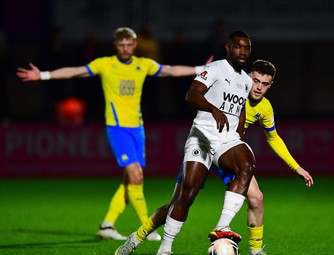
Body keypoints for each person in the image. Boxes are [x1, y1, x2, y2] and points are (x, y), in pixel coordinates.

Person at [113, 59, 313, 255]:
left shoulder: (265, 107)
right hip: (204, 144)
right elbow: (200, 90)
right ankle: (136, 238)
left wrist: (295, 167)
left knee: (257, 198)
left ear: (271, 85)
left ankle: (254, 250)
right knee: (178, 203)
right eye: (256, 81)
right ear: (248, 77)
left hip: (227, 152)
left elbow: (273, 137)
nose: (259, 87)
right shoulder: (232, 86)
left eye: (265, 84)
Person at [16, 27, 209, 242]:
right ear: (115, 46)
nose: (125, 49)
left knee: (130, 181)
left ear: (134, 45)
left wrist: (202, 68)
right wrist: (42, 75)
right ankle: (149, 226)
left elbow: (171, 70)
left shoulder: (143, 64)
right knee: (136, 176)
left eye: (129, 45)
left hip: (138, 129)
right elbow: (74, 71)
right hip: (117, 129)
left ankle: (107, 225)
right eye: (121, 45)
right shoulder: (105, 64)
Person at [114, 30, 255, 255]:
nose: (243, 52)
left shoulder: (247, 81)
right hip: (201, 136)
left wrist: (238, 135)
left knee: (247, 163)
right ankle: (154, 244)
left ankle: (222, 225)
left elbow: (240, 109)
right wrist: (213, 109)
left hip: (225, 140)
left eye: (247, 48)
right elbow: (191, 94)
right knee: (185, 196)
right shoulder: (216, 69)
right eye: (238, 47)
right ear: (228, 47)